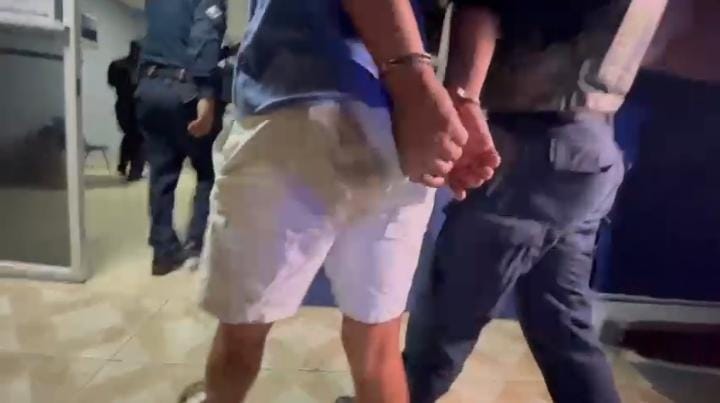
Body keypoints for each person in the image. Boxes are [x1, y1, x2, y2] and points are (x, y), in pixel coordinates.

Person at [178, 0, 500, 402]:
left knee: (242, 332)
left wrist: (412, 81)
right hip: (400, 132)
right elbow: (478, 6)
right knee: (378, 349)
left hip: (293, 98)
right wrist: (462, 99)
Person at [403, 1, 667, 402]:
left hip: (532, 146)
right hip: (592, 145)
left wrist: (463, 99)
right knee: (562, 323)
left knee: (448, 318)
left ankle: (390, 395)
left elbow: (485, 7)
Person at [135, 0, 227, 275]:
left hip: (148, 89)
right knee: (207, 170)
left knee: (161, 173)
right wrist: (207, 94)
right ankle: (196, 245)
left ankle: (162, 253)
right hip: (184, 91)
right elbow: (205, 35)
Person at [108, 40, 144, 181]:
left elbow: (112, 83)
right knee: (135, 136)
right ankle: (131, 169)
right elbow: (112, 82)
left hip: (133, 104)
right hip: (127, 105)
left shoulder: (120, 65)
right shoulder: (119, 66)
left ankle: (129, 167)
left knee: (135, 136)